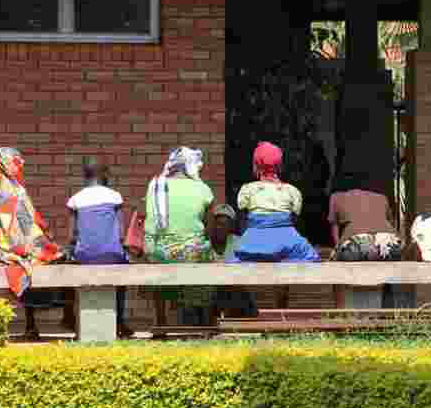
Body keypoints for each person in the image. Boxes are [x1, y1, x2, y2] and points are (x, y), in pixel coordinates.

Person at [0, 147, 68, 337]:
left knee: (60, 256)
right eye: (16, 160)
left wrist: (42, 233)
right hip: (7, 242)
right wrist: (35, 244)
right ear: (3, 163)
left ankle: (52, 317)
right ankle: (51, 317)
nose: (21, 163)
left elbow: (27, 217)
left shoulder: (12, 183)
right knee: (47, 258)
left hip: (22, 237)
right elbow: (10, 224)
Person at [145, 147, 216, 325]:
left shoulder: (155, 186)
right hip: (192, 252)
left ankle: (161, 321)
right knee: (204, 256)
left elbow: (150, 224)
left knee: (158, 263)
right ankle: (197, 315)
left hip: (159, 252)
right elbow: (210, 229)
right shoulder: (202, 189)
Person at [66, 158, 131, 338]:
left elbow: (71, 236)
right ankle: (120, 322)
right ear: (104, 175)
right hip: (112, 254)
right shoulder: (114, 196)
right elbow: (121, 234)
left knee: (70, 271)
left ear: (85, 176)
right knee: (122, 278)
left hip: (85, 256)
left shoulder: (75, 199)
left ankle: (73, 320)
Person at [227, 142, 321, 263]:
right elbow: (295, 216)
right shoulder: (292, 191)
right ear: (280, 166)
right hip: (289, 241)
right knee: (311, 257)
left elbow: (242, 208)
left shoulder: (248, 190)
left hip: (251, 242)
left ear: (255, 166)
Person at [327, 173, 401, 261]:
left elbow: (334, 227)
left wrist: (337, 248)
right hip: (391, 244)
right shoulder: (382, 197)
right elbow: (391, 222)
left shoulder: (336, 197)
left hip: (359, 244)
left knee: (337, 258)